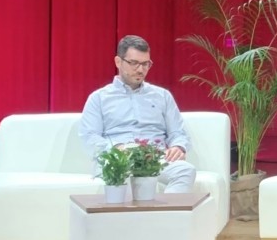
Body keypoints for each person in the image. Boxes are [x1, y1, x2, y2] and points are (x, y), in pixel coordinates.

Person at [78, 35, 196, 193]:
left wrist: (178, 146)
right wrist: (115, 149)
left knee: (185, 171)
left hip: (155, 157)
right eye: (134, 63)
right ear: (118, 62)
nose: (141, 70)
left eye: (145, 64)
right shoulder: (99, 98)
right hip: (119, 158)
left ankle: (166, 210)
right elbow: (89, 137)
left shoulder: (162, 96)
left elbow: (177, 132)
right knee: (120, 174)